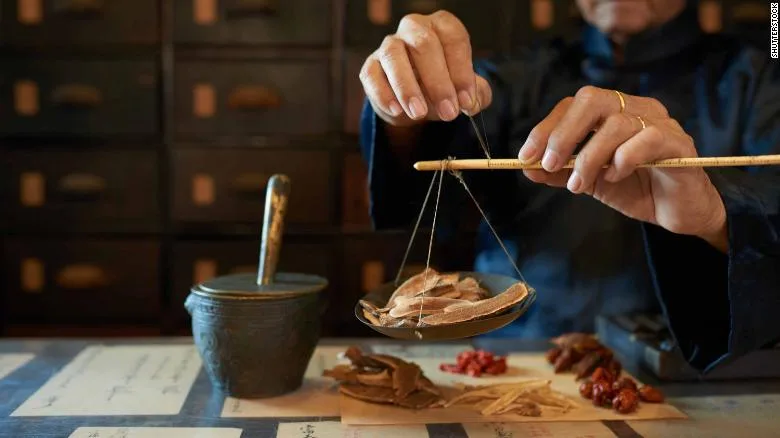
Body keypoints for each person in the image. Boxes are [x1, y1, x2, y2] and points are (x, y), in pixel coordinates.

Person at [357, 0, 780, 373]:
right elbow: (423, 192)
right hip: (519, 356)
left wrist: (715, 213)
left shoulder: (758, 76)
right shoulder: (516, 73)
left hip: (680, 366)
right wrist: (407, 106)